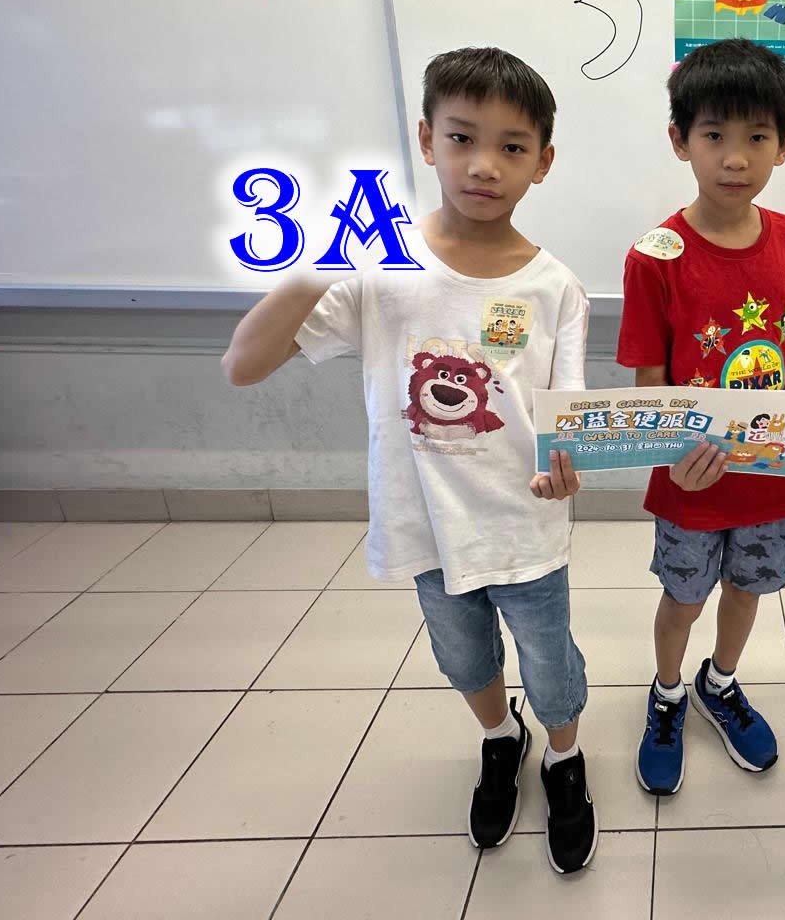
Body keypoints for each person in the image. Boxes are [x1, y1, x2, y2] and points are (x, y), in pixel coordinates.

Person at [221, 47, 598, 874]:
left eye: (511, 146)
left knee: (551, 666)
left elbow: (563, 408)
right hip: (425, 522)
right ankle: (500, 739)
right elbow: (243, 365)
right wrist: (325, 257)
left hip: (525, 525)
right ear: (427, 140)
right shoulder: (377, 268)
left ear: (542, 162)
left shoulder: (556, 286)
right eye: (462, 138)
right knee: (463, 658)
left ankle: (564, 757)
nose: (484, 164)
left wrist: (566, 459)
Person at [618, 38, 785, 796]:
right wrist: (674, 457)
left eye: (757, 137)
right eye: (714, 135)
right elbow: (649, 381)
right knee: (683, 597)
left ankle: (720, 683)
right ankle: (668, 692)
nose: (736, 158)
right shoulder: (655, 255)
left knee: (748, 590)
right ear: (681, 141)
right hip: (691, 479)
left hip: (771, 474)